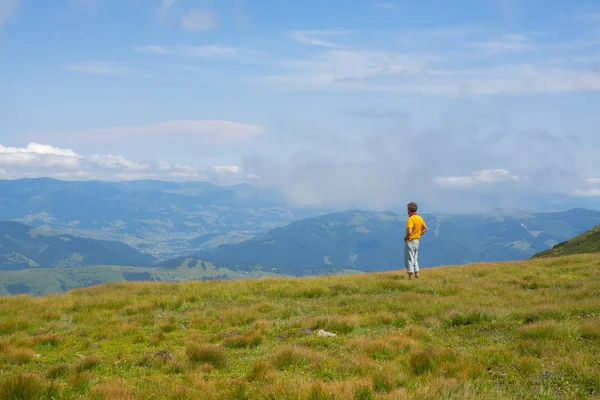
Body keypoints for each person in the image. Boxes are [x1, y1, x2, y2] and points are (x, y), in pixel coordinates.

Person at [404, 201, 427, 280]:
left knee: (409, 258)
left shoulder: (410, 219)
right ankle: (417, 275)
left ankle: (410, 277)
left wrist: (406, 238)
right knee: (415, 258)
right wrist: (418, 234)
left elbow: (409, 231)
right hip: (417, 241)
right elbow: (425, 229)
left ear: (409, 210)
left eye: (407, 209)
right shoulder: (419, 218)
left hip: (410, 241)